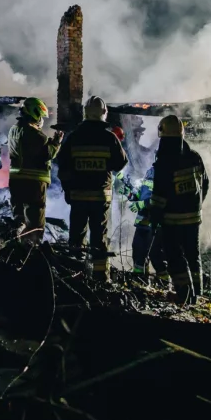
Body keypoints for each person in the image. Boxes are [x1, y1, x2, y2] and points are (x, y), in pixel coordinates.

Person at [56, 96, 128, 281]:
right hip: (100, 197)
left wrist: (68, 190)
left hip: (78, 197)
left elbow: (62, 166)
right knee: (99, 239)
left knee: (76, 237)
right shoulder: (109, 137)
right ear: (104, 113)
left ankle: (75, 275)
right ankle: (100, 278)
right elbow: (121, 163)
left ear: (85, 113)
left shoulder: (74, 137)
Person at [148, 115, 209, 305]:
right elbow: (204, 184)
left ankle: (184, 293)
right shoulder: (194, 157)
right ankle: (196, 294)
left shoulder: (164, 161)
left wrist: (154, 218)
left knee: (175, 256)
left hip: (172, 219)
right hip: (194, 218)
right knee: (193, 254)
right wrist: (196, 206)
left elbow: (159, 195)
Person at [8, 97, 62, 245]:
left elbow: (31, 151)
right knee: (35, 218)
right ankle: (32, 250)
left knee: (19, 218)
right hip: (33, 183)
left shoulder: (14, 130)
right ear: (35, 113)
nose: (41, 121)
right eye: (41, 116)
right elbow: (46, 154)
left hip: (16, 180)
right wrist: (56, 143)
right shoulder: (35, 134)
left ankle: (15, 247)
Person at [129, 167, 170, 287]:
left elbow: (162, 198)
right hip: (142, 223)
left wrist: (143, 204)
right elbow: (141, 193)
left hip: (156, 225)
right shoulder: (150, 171)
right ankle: (139, 284)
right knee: (138, 253)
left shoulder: (167, 174)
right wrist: (130, 194)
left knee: (156, 256)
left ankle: (165, 286)